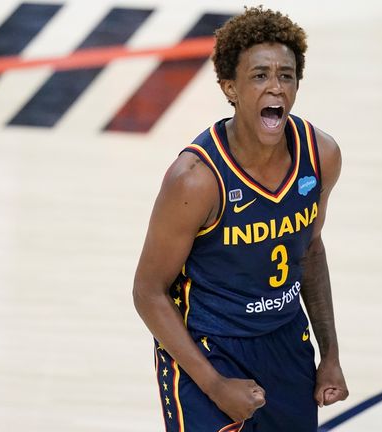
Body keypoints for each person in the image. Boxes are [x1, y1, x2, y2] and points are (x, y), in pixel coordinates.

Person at [133, 7, 348, 431]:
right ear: (229, 87)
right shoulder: (195, 180)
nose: (276, 88)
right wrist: (214, 385)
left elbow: (310, 250)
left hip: (286, 339)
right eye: (260, 76)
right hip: (209, 348)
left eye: (286, 76)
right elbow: (148, 292)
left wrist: (331, 356)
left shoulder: (321, 155)